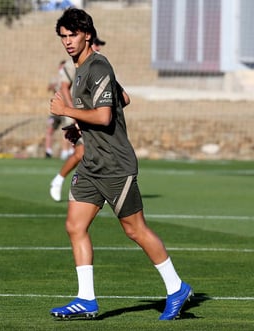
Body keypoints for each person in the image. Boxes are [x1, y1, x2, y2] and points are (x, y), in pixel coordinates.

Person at [49, 8, 193, 321]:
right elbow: (123, 98)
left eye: (73, 35)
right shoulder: (83, 67)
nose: (68, 42)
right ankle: (86, 299)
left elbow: (105, 115)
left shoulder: (98, 64)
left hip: (115, 164)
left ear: (87, 34)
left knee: (134, 229)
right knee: (75, 226)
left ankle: (176, 287)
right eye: (63, 37)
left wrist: (69, 111)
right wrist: (80, 128)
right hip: (91, 164)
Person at [49, 36, 107, 201]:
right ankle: (59, 180)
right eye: (97, 44)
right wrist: (71, 111)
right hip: (77, 115)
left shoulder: (99, 65)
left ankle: (91, 188)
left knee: (93, 153)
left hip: (90, 115)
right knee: (82, 152)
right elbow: (65, 87)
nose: (99, 48)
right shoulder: (74, 64)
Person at [45, 59, 74, 159]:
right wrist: (53, 86)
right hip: (55, 110)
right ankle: (48, 151)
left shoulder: (70, 77)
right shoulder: (56, 78)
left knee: (67, 129)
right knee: (50, 128)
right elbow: (48, 87)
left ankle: (66, 151)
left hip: (65, 108)